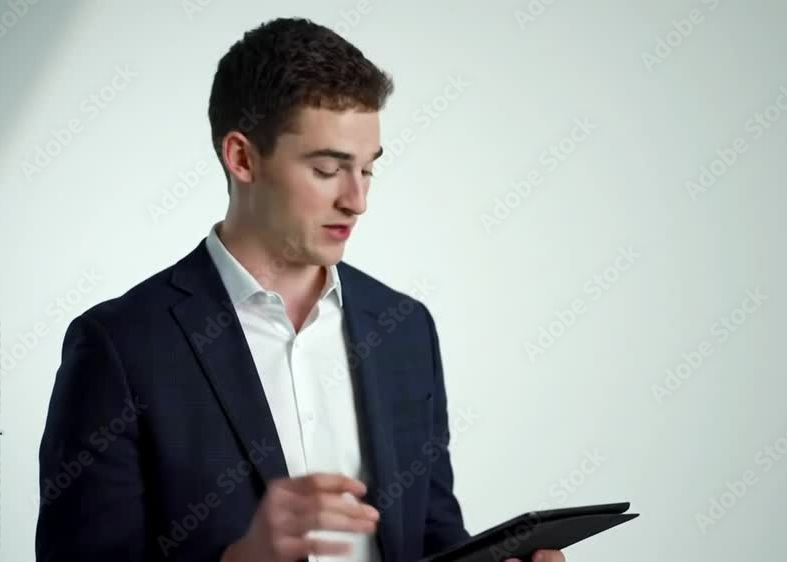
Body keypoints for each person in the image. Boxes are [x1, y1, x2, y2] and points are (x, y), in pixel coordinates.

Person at [35, 16, 564, 562]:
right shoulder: (119, 346)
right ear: (242, 158)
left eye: (367, 170)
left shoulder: (405, 329)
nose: (357, 201)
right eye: (329, 169)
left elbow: (432, 532)